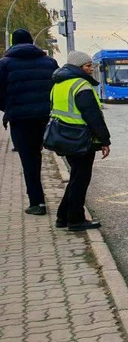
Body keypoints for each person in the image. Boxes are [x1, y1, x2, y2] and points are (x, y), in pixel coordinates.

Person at [50, 51, 111, 231]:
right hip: (80, 139)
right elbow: (93, 116)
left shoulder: (58, 85)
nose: (91, 69)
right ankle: (76, 220)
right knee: (81, 180)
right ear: (77, 67)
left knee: (76, 177)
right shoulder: (81, 86)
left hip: (63, 137)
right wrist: (104, 141)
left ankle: (63, 217)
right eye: (87, 66)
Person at [0, 28, 58, 215]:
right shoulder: (49, 62)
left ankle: (37, 203)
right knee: (56, 152)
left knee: (29, 161)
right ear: (32, 41)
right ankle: (72, 204)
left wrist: (9, 108)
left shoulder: (5, 63)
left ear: (13, 42)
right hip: (46, 118)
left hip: (20, 120)